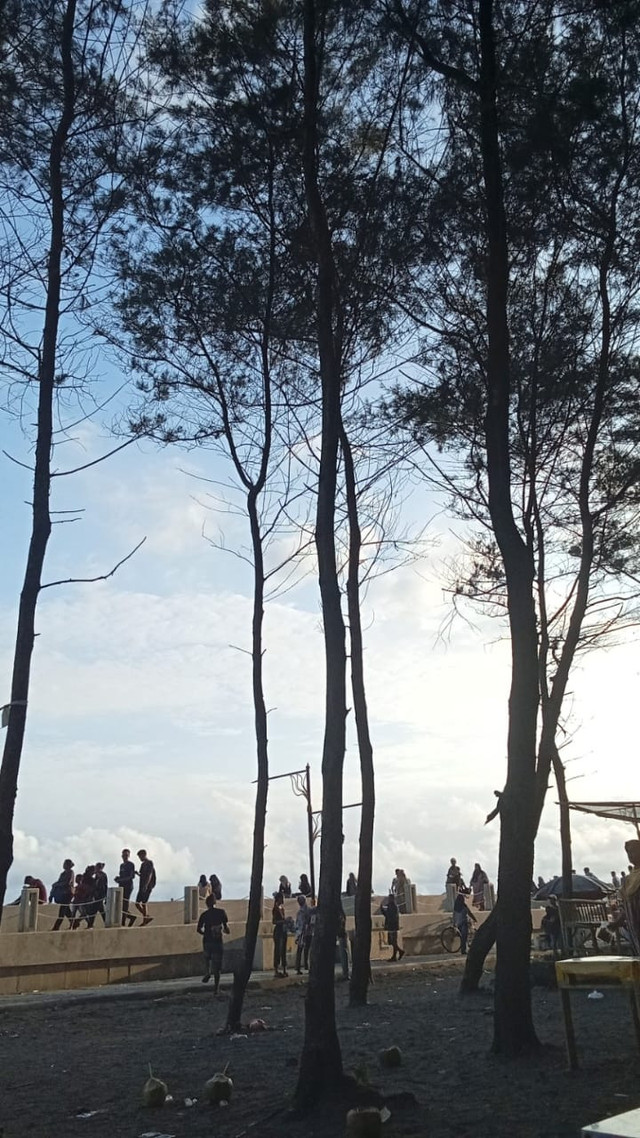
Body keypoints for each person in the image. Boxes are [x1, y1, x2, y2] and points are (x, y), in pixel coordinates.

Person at [197, 894, 229, 992]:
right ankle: (216, 988)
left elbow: (198, 929)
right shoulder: (221, 913)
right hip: (217, 942)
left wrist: (206, 934)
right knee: (217, 966)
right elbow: (226, 927)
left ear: (206, 904)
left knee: (207, 959)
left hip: (207, 941)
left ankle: (207, 972)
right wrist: (225, 931)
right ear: (215, 902)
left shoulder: (204, 915)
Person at [50, 859, 75, 930]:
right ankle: (74, 923)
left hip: (67, 893)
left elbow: (67, 882)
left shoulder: (70, 872)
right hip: (62, 894)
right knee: (67, 911)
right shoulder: (62, 874)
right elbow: (59, 882)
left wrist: (57, 884)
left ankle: (56, 927)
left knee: (62, 910)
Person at [115, 848, 136, 927]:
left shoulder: (131, 864)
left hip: (128, 886)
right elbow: (122, 875)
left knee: (125, 904)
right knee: (120, 904)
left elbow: (131, 876)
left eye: (126, 855)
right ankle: (131, 917)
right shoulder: (121, 865)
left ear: (129, 856)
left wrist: (121, 880)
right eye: (123, 855)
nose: (125, 857)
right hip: (121, 886)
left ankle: (123, 922)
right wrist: (118, 879)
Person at [380, 893, 404, 962]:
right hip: (391, 926)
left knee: (393, 941)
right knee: (392, 942)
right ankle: (396, 954)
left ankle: (398, 953)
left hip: (392, 927)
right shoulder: (390, 906)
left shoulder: (393, 906)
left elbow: (392, 917)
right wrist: (382, 909)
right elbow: (386, 915)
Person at [135, 850, 156, 925]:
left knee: (144, 902)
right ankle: (146, 917)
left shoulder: (149, 863)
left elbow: (150, 874)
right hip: (141, 885)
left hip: (147, 886)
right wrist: (137, 874)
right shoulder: (143, 864)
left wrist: (146, 885)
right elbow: (142, 875)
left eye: (140, 856)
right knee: (137, 903)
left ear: (144, 855)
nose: (140, 858)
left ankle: (145, 920)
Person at [453, 890, 476, 955]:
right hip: (464, 922)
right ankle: (464, 950)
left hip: (458, 923)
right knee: (464, 937)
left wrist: (454, 923)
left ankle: (463, 949)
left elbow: (454, 915)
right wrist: (475, 919)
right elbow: (469, 913)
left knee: (462, 937)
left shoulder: (456, 906)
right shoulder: (464, 906)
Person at [294, 894, 312, 974]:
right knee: (305, 949)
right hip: (305, 932)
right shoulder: (305, 910)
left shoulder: (301, 911)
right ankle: (304, 965)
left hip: (303, 932)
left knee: (302, 950)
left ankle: (302, 966)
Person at [272, 891, 288, 977]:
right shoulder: (276, 908)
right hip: (278, 931)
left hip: (283, 930)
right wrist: (283, 921)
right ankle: (276, 969)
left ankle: (284, 968)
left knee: (283, 950)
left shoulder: (282, 908)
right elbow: (274, 921)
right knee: (278, 950)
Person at [337, 903, 350, 980]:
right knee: (344, 954)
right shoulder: (341, 914)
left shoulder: (340, 916)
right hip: (341, 935)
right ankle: (345, 973)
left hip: (341, 935)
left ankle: (345, 973)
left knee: (343, 954)